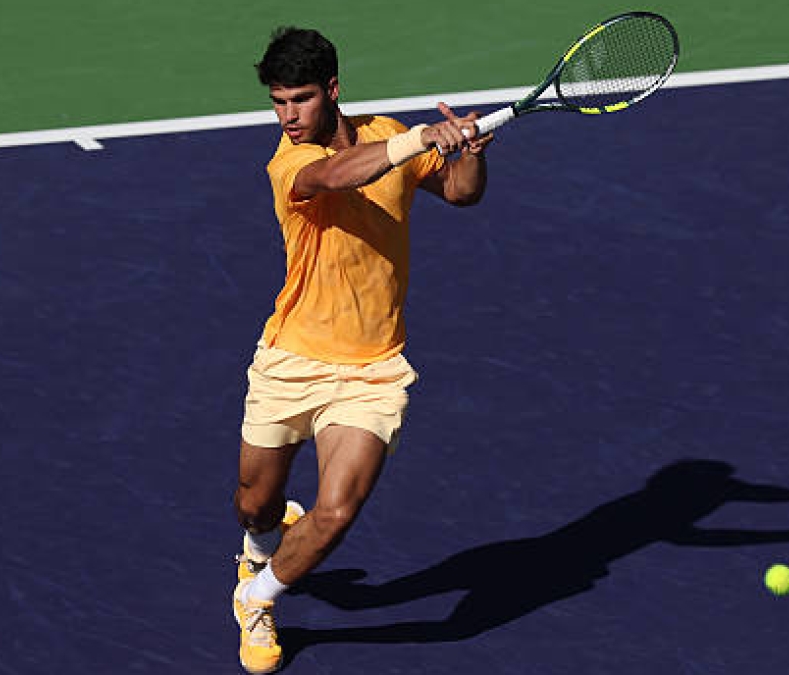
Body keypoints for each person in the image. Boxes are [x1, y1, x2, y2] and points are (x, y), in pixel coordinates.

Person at [231, 26, 492, 674]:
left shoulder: (388, 132)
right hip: (291, 357)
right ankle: (260, 543)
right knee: (253, 504)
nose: (288, 115)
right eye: (278, 102)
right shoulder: (290, 162)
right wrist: (417, 140)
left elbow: (462, 192)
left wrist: (468, 151)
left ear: (334, 90)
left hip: (372, 369)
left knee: (337, 509)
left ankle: (257, 598)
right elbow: (337, 173)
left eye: (301, 99)